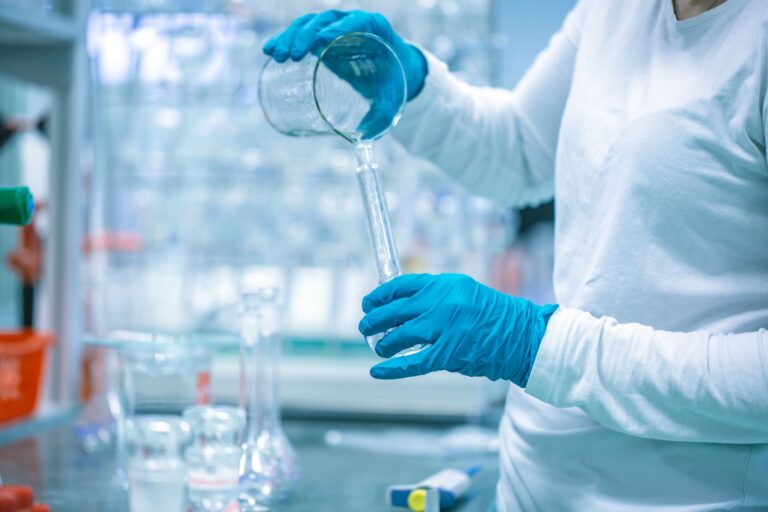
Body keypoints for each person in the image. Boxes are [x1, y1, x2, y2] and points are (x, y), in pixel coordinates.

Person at [264, 0, 768, 509]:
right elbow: (523, 151)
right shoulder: (617, 9)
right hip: (534, 482)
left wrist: (535, 343)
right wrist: (418, 89)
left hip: (685, 495)